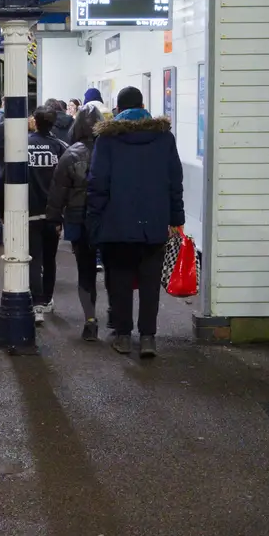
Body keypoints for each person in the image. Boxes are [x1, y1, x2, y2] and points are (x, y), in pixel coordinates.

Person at [86, 86, 184, 358]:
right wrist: (176, 218)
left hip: (116, 222)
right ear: (143, 107)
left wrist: (94, 220)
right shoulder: (164, 138)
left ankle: (123, 336)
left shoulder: (107, 140)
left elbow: (97, 183)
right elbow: (175, 181)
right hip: (155, 222)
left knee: (120, 279)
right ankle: (149, 337)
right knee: (150, 282)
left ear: (118, 110)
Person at [46, 106, 102, 340]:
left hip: (78, 219)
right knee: (116, 269)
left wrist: (54, 219)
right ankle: (118, 319)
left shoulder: (70, 154)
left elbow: (58, 192)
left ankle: (90, 320)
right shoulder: (110, 151)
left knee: (85, 270)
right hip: (106, 218)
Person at [27, 106, 65, 322]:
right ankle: (48, 299)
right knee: (50, 259)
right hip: (52, 213)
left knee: (34, 258)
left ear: (35, 121)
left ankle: (37, 305)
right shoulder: (59, 147)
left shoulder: (23, 145)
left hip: (30, 211)